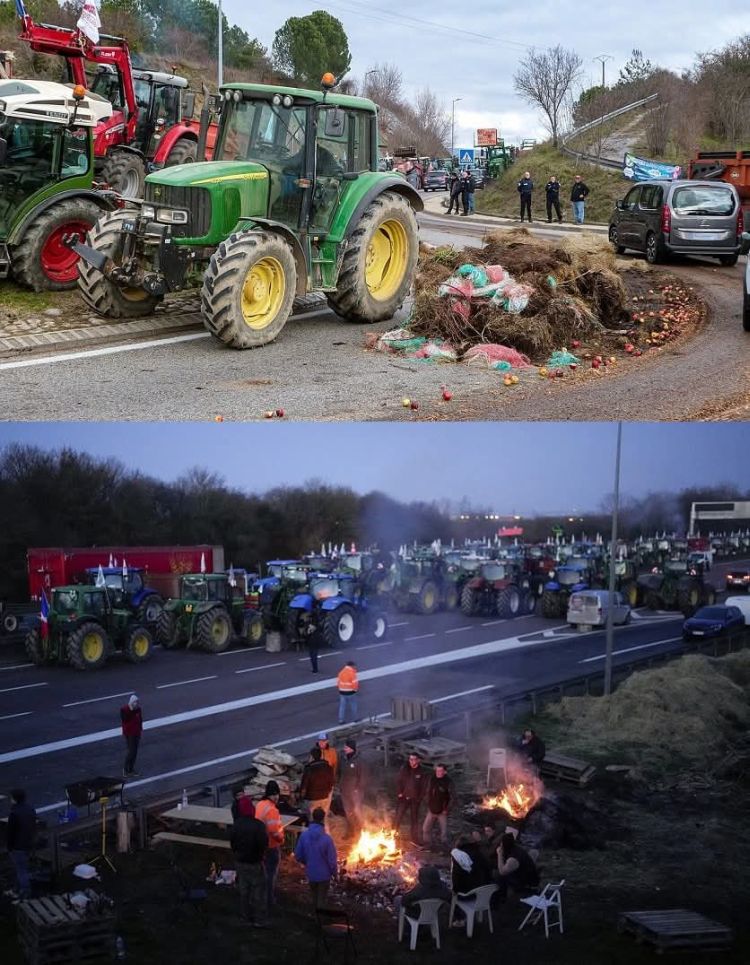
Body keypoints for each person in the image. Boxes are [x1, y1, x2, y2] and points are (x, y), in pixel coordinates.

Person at [230, 793, 268, 926]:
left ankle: (245, 917)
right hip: (255, 862)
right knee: (258, 891)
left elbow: (233, 843)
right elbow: (263, 844)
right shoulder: (258, 825)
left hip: (240, 862)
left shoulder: (236, 825)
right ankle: (259, 919)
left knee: (244, 890)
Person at [294, 807, 338, 908]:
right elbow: (332, 861)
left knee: (314, 898)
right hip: (324, 876)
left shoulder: (304, 836)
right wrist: (335, 874)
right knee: (321, 900)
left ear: (313, 818)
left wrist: (307, 862)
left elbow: (298, 855)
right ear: (323, 819)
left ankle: (315, 918)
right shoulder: (327, 839)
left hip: (311, 874)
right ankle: (320, 921)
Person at [255, 780, 285, 912]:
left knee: (262, 873)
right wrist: (281, 838)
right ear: (269, 795)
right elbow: (274, 831)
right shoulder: (272, 810)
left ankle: (260, 897)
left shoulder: (260, 804)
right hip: (271, 846)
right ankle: (269, 900)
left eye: (277, 794)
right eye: (274, 794)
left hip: (259, 845)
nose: (276, 797)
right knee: (271, 874)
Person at [7, 789, 36, 899]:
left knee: (21, 869)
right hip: (29, 843)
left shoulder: (14, 813)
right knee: (22, 867)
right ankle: (17, 887)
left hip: (18, 846)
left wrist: (9, 847)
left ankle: (25, 890)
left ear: (14, 799)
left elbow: (10, 832)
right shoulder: (30, 809)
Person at [494, 831, 540, 898]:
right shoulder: (514, 848)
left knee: (499, 876)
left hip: (527, 885)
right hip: (523, 877)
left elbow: (502, 872)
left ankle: (502, 899)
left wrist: (499, 854)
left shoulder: (514, 858)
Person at [394, 752, 427, 846]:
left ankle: (415, 839)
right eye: (410, 759)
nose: (411, 761)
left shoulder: (421, 772)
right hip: (404, 798)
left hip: (414, 800)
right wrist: (400, 793)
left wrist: (419, 798)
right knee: (398, 817)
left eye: (413, 759)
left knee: (414, 819)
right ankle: (392, 835)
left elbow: (423, 787)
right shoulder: (405, 768)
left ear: (418, 760)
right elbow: (398, 781)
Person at [299, 747, 335, 826]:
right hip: (325, 797)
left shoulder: (309, 769)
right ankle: (325, 834)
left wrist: (301, 797)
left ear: (312, 757)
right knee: (323, 819)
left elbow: (304, 787)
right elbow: (332, 783)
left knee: (313, 821)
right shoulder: (328, 767)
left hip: (312, 799)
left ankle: (314, 836)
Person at [422, 764, 453, 850]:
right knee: (425, 828)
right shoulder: (432, 779)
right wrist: (428, 803)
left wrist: (447, 809)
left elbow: (453, 797)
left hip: (442, 811)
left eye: (440, 771)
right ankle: (428, 845)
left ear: (445, 772)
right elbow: (428, 792)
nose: (438, 772)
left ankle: (444, 848)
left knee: (444, 832)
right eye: (437, 770)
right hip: (431, 810)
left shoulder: (448, 782)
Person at [339, 738, 366, 837]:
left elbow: (363, 776)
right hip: (344, 790)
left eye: (346, 747)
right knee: (348, 812)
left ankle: (362, 832)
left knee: (357, 811)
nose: (344, 748)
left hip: (356, 792)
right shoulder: (342, 758)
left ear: (351, 749)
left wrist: (358, 789)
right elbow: (339, 772)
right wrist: (339, 784)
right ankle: (350, 831)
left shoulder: (359, 760)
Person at [120, 694, 142, 778]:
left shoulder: (138, 709)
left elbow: (140, 720)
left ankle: (131, 769)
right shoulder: (124, 710)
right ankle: (126, 769)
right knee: (131, 752)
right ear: (132, 702)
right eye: (136, 702)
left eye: (137, 702)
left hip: (136, 733)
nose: (137, 704)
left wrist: (140, 731)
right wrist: (132, 711)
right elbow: (125, 720)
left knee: (134, 752)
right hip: (129, 734)